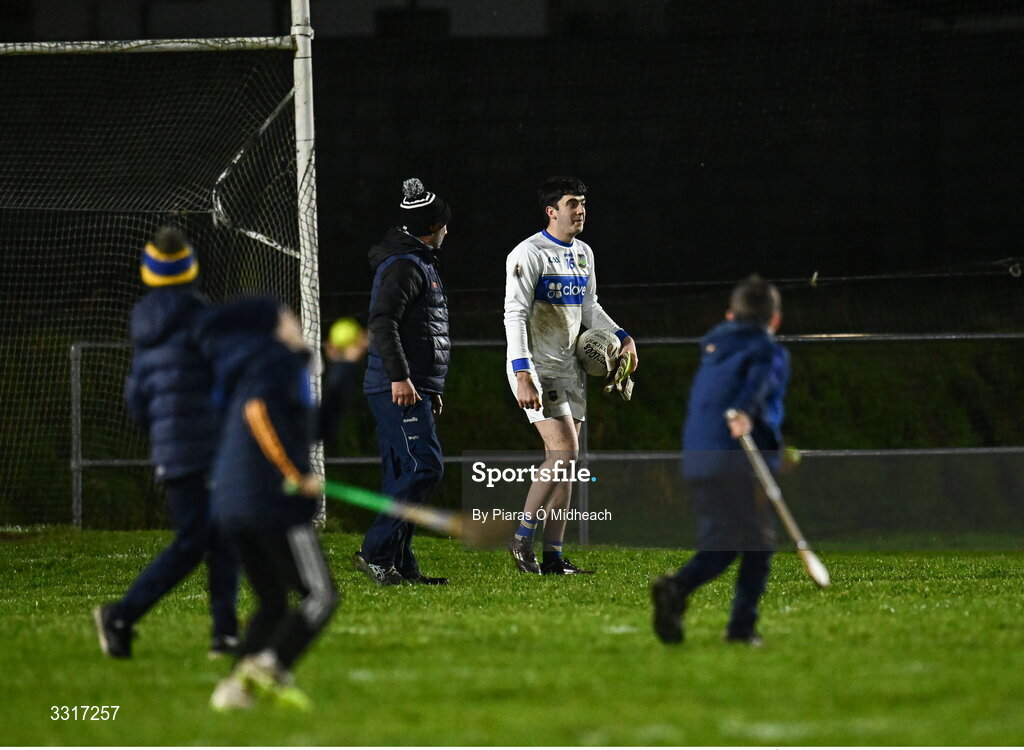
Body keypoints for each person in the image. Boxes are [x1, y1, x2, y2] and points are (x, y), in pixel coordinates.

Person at [93, 226, 238, 660]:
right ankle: (121, 615)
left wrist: (162, 435)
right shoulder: (203, 319)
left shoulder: (145, 328)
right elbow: (225, 379)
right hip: (209, 445)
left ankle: (225, 635)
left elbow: (136, 396)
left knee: (217, 537)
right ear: (191, 269)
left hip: (174, 448)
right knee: (198, 541)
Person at [200, 298, 338, 711]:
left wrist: (344, 370)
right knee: (320, 596)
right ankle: (270, 664)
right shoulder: (274, 360)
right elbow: (259, 414)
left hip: (234, 501)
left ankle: (235, 692)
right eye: (286, 316)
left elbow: (312, 428)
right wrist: (295, 475)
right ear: (272, 328)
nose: (295, 320)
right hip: (268, 498)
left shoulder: (258, 365)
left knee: (274, 602)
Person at [503, 176, 638, 575]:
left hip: (571, 369)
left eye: (583, 203)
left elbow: (590, 306)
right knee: (565, 453)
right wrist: (522, 372)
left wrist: (623, 337)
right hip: (538, 370)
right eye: (572, 203)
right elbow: (514, 315)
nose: (580, 210)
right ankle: (521, 538)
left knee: (566, 462)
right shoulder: (527, 254)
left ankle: (554, 556)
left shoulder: (583, 253)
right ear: (552, 211)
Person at [651, 275, 789, 646]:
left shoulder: (715, 350)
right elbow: (759, 383)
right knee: (758, 546)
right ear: (774, 320)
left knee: (723, 543)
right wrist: (744, 411)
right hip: (736, 460)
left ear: (730, 316)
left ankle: (675, 589)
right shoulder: (768, 350)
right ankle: (741, 630)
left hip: (698, 460)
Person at [353, 178, 451, 586]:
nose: (447, 230)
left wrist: (429, 386)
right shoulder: (404, 265)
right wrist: (401, 378)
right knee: (424, 469)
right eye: (444, 223)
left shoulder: (415, 261)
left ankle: (399, 565)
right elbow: (382, 323)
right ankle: (375, 553)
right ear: (432, 226)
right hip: (397, 387)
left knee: (403, 474)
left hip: (412, 386)